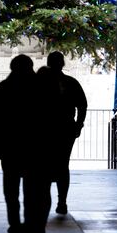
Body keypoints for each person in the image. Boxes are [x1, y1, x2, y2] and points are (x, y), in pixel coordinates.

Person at [0, 54, 59, 233]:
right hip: (35, 148)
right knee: (33, 191)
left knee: (11, 191)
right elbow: (51, 118)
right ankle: (33, 228)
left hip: (10, 148)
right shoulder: (41, 88)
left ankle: (15, 227)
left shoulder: (3, 89)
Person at [42, 51, 88, 215]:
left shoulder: (40, 83)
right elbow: (82, 105)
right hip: (65, 129)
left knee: (44, 167)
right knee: (63, 165)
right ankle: (62, 201)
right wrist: (78, 125)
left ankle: (45, 200)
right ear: (62, 64)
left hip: (45, 131)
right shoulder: (71, 82)